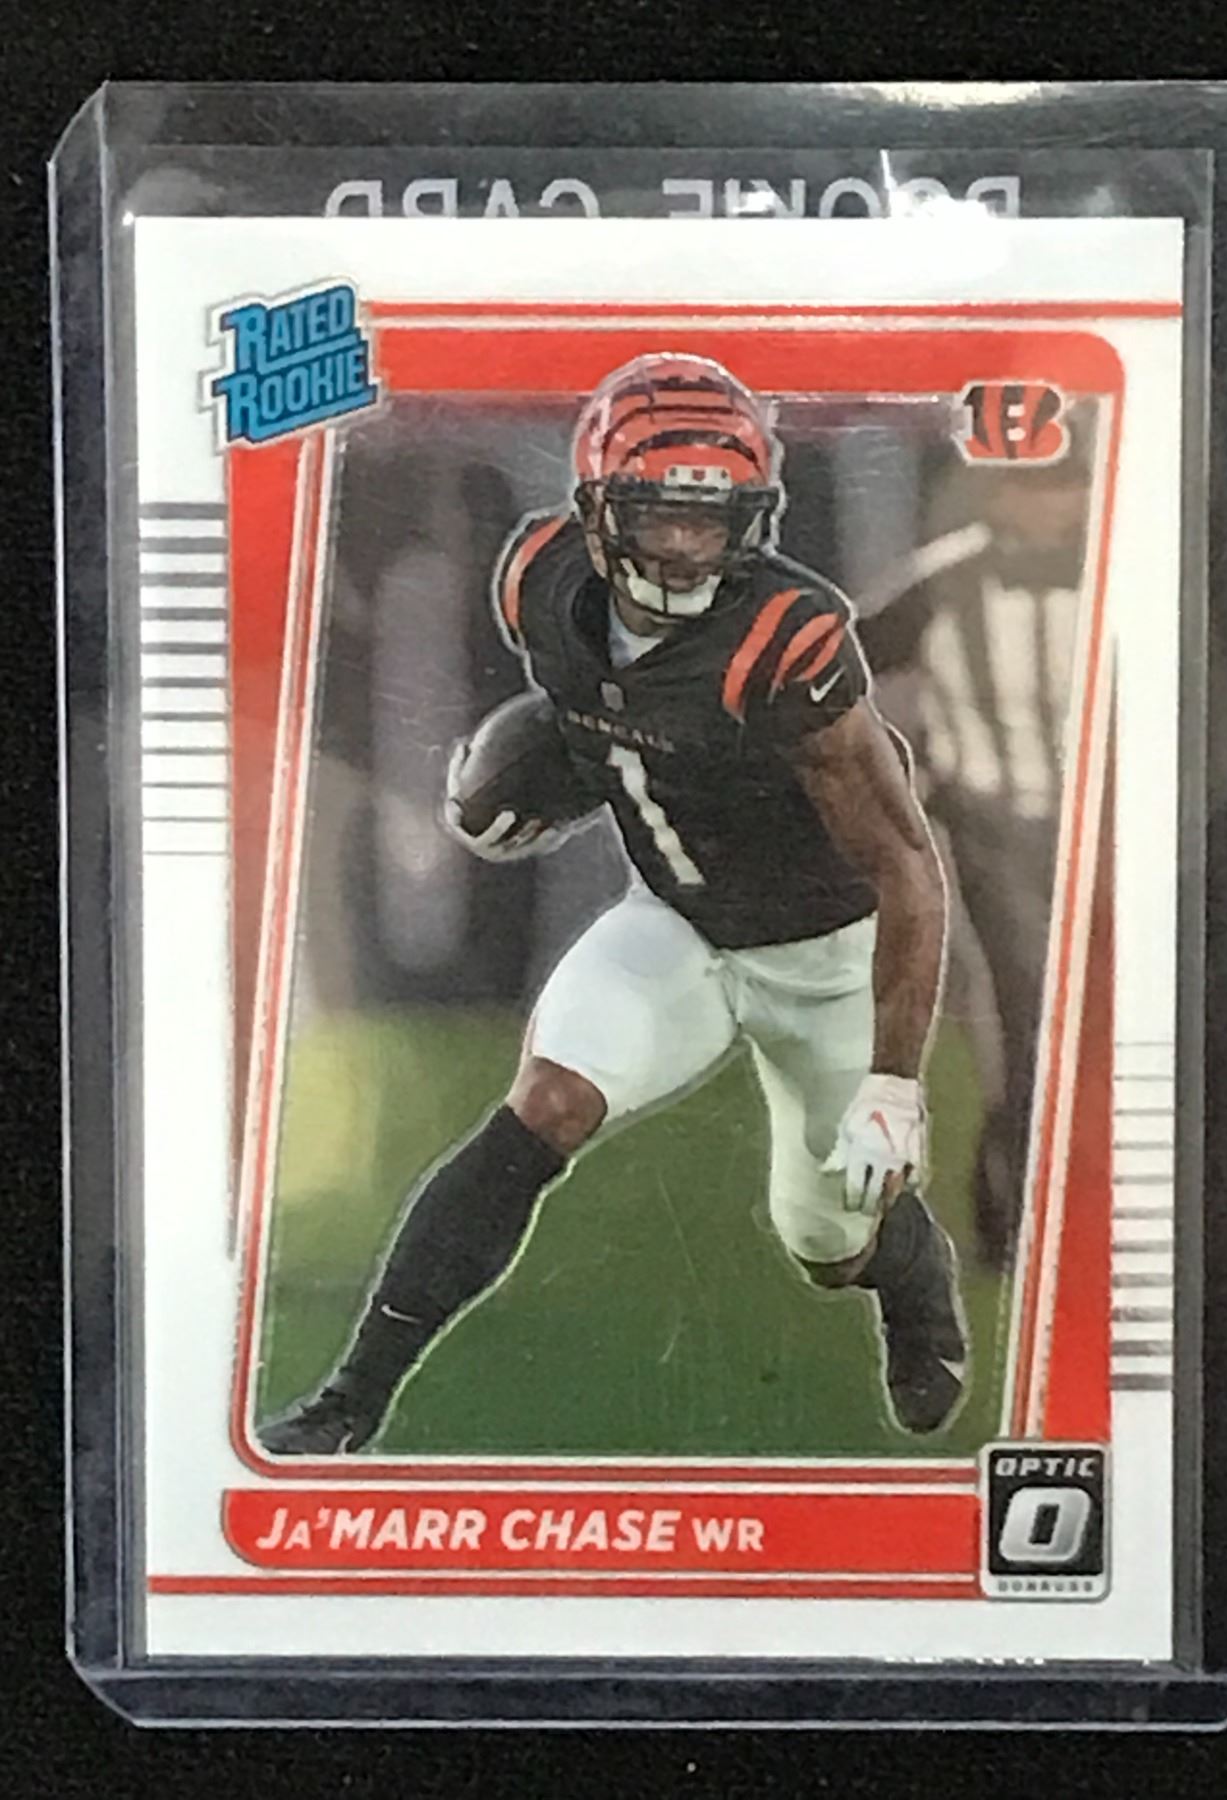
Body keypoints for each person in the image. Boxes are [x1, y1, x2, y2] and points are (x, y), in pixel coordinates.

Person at [260, 352, 966, 1454]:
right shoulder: (536, 579)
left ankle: (911, 1270)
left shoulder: (787, 639)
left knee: (827, 1245)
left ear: (753, 521)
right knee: (543, 1104)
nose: (684, 547)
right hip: (677, 921)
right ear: (595, 511)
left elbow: (905, 863)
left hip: (827, 956)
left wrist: (893, 1082)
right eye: (659, 516)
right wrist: (551, 770)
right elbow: (608, 710)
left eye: (711, 520)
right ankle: (350, 1400)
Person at [857, 443, 1091, 1269]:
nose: (1043, 505)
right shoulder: (946, 580)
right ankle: (1016, 1218)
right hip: (990, 831)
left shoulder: (1123, 575)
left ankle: (1065, 1211)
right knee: (1028, 1020)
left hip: (1100, 835)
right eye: (1027, 486)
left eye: (1060, 487)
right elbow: (837, 666)